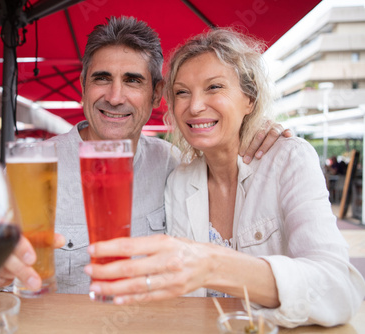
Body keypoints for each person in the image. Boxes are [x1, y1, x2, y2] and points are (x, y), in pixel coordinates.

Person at [83, 29, 365, 327]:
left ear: (250, 100)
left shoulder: (288, 159)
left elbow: (339, 289)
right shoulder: (179, 179)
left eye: (214, 87)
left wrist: (213, 265)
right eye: (182, 92)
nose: (194, 106)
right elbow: (189, 303)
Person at [0, 17, 290, 294]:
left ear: (156, 93)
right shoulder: (32, 167)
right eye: (102, 79)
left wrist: (253, 132)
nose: (115, 96)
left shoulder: (172, 163)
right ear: (83, 89)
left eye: (132, 80)